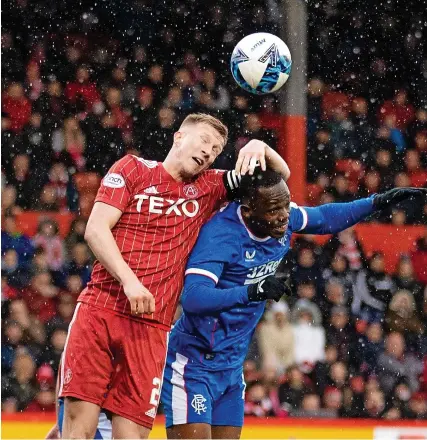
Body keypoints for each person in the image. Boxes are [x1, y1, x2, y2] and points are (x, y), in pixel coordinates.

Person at [57, 113, 290, 440]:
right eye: (204, 141)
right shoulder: (132, 169)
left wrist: (259, 146)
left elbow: (279, 178)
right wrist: (129, 280)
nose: (209, 152)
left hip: (152, 328)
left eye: (216, 149)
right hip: (101, 310)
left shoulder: (211, 186)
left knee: (131, 435)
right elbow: (96, 229)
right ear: (179, 137)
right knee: (78, 427)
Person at [160, 168, 426, 439]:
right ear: (249, 210)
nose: (284, 216)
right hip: (194, 363)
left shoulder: (280, 216)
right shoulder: (220, 236)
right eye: (275, 210)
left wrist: (376, 202)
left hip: (231, 366)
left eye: (286, 206)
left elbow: (325, 218)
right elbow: (193, 298)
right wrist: (250, 292)